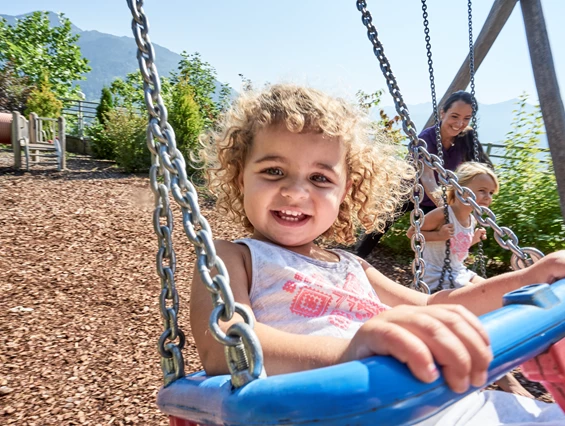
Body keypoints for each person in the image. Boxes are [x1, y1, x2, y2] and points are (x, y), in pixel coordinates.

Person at [190, 84, 565, 424]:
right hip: (325, 412)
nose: (295, 192)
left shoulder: (354, 266)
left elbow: (435, 305)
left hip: (436, 404)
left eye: (320, 178)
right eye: (274, 171)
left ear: (345, 190)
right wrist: (351, 353)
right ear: (241, 177)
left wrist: (528, 279)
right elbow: (226, 345)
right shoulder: (232, 257)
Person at [406, 161, 533, 398]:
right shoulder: (443, 213)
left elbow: (456, 248)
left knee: (497, 296)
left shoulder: (472, 218)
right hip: (436, 277)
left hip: (458, 271)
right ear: (460, 187)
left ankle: (497, 348)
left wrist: (473, 239)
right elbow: (412, 234)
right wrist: (438, 234)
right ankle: (502, 376)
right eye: (481, 190)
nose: (486, 197)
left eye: (490, 193)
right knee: (477, 309)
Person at [356, 90, 493, 259]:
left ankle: (441, 270)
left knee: (444, 233)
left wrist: (476, 197)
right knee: (381, 226)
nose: (459, 123)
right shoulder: (424, 140)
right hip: (408, 191)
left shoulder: (465, 138)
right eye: (455, 116)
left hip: (435, 198)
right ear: (442, 113)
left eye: (466, 118)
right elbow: (427, 178)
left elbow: (483, 168)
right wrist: (447, 206)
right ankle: (359, 258)